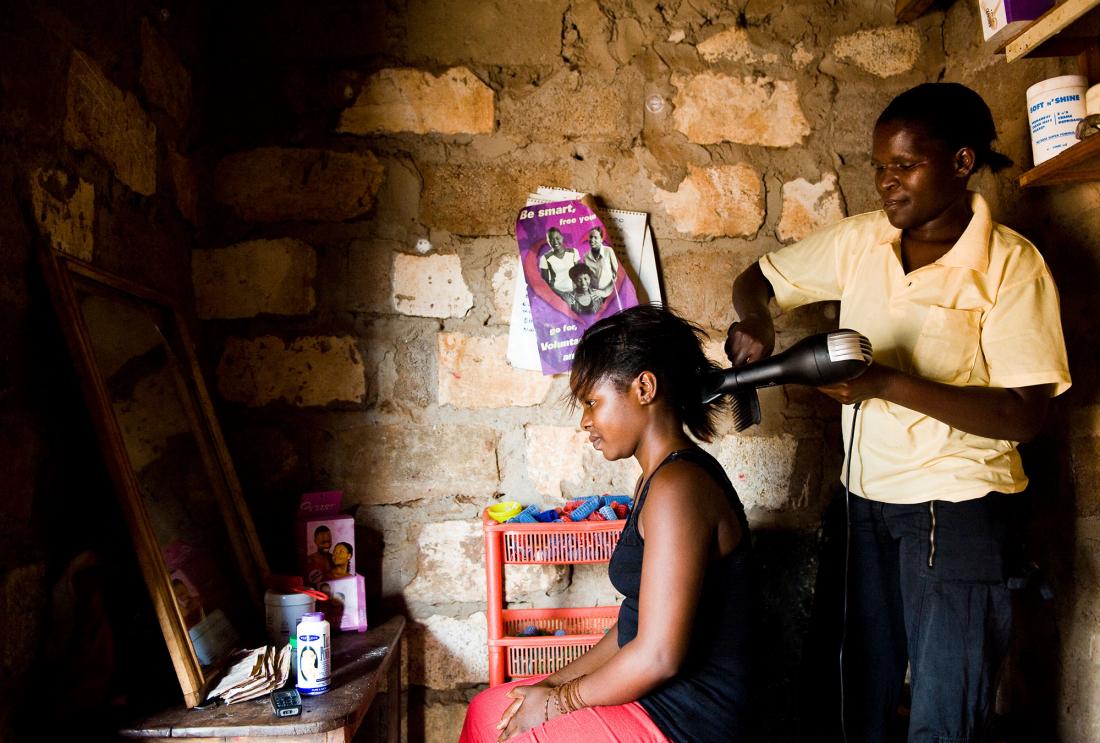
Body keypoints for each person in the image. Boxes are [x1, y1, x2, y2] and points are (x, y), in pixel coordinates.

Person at [725, 82, 1071, 743]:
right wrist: (756, 321)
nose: (886, 183)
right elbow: (758, 280)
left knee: (945, 714)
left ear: (962, 163)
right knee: (856, 703)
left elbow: (1025, 414)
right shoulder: (864, 241)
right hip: (865, 505)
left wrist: (887, 383)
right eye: (880, 166)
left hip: (959, 508)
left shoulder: (1009, 265)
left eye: (904, 166)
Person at [460, 305, 757, 743]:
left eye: (592, 402)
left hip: (688, 720)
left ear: (644, 387)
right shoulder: (654, 482)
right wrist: (549, 686)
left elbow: (658, 656)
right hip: (659, 701)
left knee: (498, 727)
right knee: (494, 707)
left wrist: (561, 703)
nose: (585, 421)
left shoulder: (680, 488)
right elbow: (631, 629)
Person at [538, 228, 580, 297]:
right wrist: (559, 295)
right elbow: (545, 281)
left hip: (575, 292)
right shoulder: (545, 258)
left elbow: (578, 273)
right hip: (557, 295)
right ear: (548, 241)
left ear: (562, 238)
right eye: (551, 240)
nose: (555, 242)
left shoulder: (573, 252)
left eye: (557, 238)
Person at [582, 227, 620, 299]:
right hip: (595, 295)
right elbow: (588, 277)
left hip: (610, 293)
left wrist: (605, 292)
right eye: (591, 237)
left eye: (596, 237)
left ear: (602, 239)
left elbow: (616, 274)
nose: (592, 240)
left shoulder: (608, 251)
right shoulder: (585, 256)